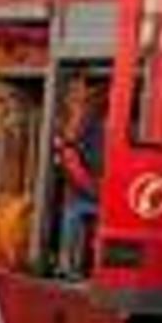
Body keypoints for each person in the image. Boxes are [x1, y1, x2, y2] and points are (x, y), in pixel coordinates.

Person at [53, 74, 107, 278]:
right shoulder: (71, 120)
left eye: (80, 92)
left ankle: (73, 265)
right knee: (73, 218)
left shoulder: (92, 121)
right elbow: (69, 155)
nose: (76, 97)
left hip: (90, 188)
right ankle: (69, 265)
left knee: (76, 219)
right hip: (84, 190)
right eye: (73, 92)